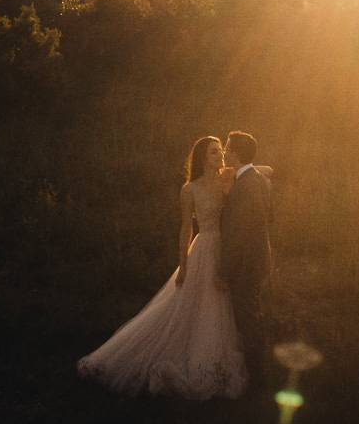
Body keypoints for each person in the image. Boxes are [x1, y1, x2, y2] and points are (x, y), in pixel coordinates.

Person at [76, 136, 270, 399]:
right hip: (205, 248)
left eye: (222, 152)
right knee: (199, 302)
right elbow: (186, 229)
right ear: (202, 157)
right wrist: (183, 265)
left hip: (227, 250)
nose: (221, 156)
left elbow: (263, 171)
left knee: (227, 304)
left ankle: (233, 362)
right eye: (214, 153)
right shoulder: (190, 189)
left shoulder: (230, 177)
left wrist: (244, 171)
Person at [218, 130, 275, 389]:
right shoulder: (259, 179)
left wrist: (223, 271)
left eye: (228, 148)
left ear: (237, 153)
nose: (225, 152)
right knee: (251, 313)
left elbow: (237, 234)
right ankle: (257, 369)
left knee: (247, 316)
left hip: (246, 262)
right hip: (258, 257)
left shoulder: (246, 185)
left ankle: (257, 377)